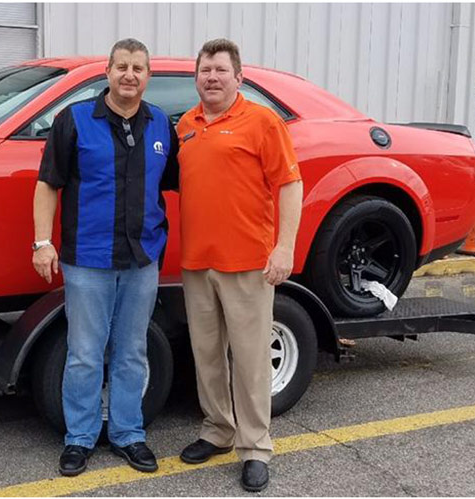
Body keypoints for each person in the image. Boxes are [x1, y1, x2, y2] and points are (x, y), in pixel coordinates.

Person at [32, 38, 178, 477]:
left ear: (147, 76)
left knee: (132, 351)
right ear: (108, 72)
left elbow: (179, 184)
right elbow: (47, 184)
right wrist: (42, 242)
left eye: (137, 68)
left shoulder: (161, 126)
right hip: (87, 260)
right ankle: (79, 438)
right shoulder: (73, 121)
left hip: (142, 261)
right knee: (84, 353)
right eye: (121, 67)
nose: (129, 75)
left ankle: (128, 433)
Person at [174, 38, 303, 492]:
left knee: (249, 362)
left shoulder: (262, 121)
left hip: (248, 261)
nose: (211, 77)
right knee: (207, 356)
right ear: (196, 77)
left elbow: (290, 185)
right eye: (205, 70)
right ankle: (218, 430)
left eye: (220, 70)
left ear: (238, 77)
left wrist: (283, 248)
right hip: (196, 262)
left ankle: (255, 447)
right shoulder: (186, 125)